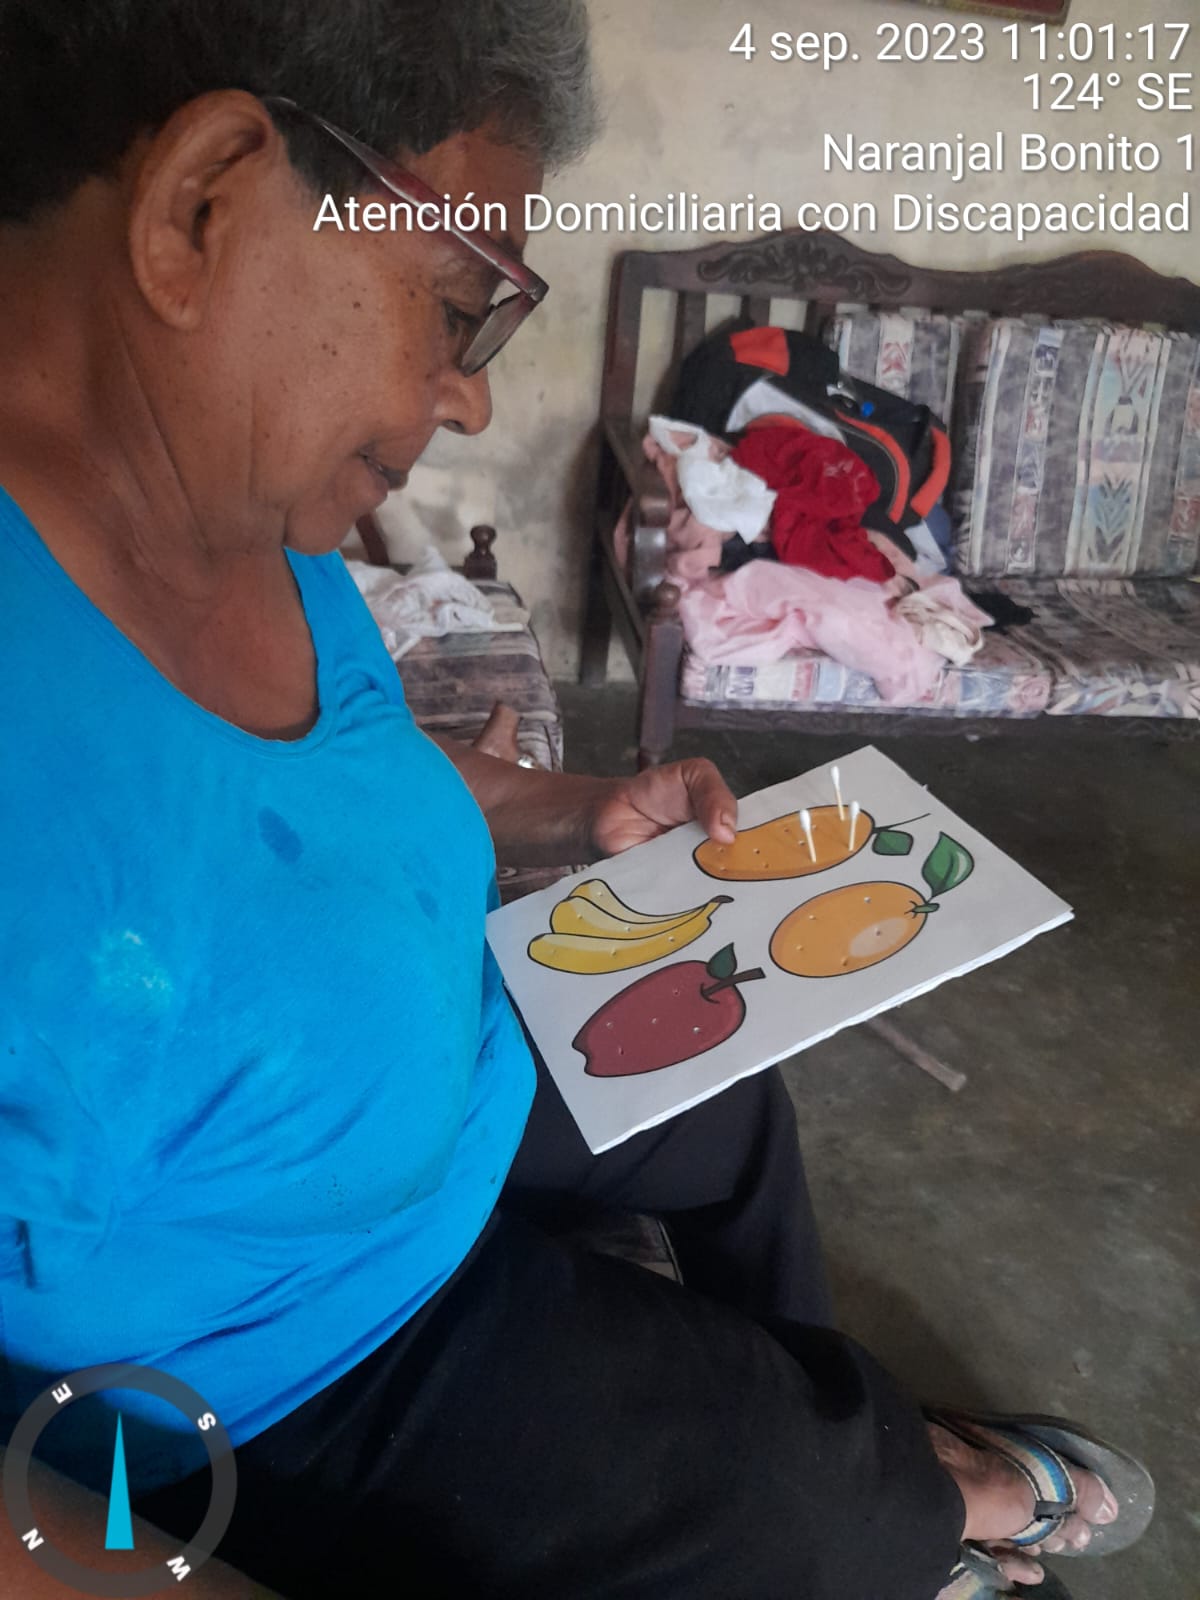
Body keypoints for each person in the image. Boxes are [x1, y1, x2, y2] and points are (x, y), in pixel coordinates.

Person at [0, 5, 1148, 1597]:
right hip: (303, 1344)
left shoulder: (237, 502)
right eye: (458, 301)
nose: (471, 397)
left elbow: (336, 771)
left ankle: (831, 1437)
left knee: (730, 1103)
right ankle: (898, 1496)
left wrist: (576, 809)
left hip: (439, 1070)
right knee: (803, 1493)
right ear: (204, 203)